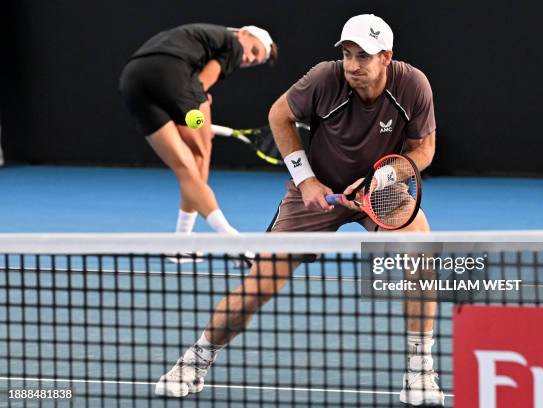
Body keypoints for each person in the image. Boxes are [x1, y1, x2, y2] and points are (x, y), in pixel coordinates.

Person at [155, 14, 444, 406]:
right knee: (258, 288)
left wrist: (387, 175)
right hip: (317, 190)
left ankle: (419, 369)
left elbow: (423, 149)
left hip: (379, 193)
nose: (354, 65)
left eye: (364, 56)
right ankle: (195, 360)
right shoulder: (326, 78)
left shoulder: (413, 85)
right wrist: (306, 180)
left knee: (421, 256)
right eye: (347, 54)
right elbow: (279, 114)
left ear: (386, 57)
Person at [119, 24, 278, 254]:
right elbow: (201, 85)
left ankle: (181, 244)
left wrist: (198, 122)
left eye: (254, 61)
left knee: (186, 169)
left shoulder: (204, 38)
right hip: (171, 72)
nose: (248, 58)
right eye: (253, 50)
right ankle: (227, 239)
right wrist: (201, 127)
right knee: (201, 154)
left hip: (133, 79)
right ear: (243, 33)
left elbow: (188, 91)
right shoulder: (232, 43)